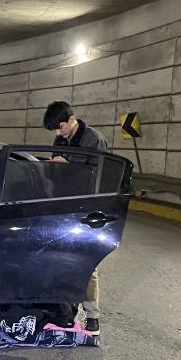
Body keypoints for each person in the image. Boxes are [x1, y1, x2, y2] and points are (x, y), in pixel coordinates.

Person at [42, 101, 108, 335]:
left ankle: (92, 315)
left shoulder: (93, 139)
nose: (58, 134)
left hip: (88, 209)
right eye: (56, 131)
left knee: (88, 263)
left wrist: (68, 165)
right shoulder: (60, 139)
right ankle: (66, 310)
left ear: (72, 119)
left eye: (60, 127)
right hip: (65, 207)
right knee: (63, 259)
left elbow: (98, 176)